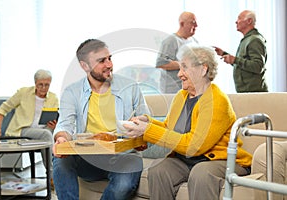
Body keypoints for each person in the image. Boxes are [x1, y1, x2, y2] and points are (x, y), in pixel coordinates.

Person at [124, 46, 252, 200]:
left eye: (184, 68)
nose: (179, 74)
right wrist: (146, 122)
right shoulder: (182, 95)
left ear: (203, 70)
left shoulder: (217, 101)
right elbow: (168, 128)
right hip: (187, 161)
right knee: (159, 169)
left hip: (220, 161)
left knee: (201, 173)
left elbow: (194, 146)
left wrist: (148, 130)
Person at [52, 39, 150, 200]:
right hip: (88, 158)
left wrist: (141, 131)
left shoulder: (130, 87)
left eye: (109, 58)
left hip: (123, 156)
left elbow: (146, 119)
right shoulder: (72, 92)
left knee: (123, 184)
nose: (109, 65)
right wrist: (61, 138)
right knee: (61, 161)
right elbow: (65, 124)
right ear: (84, 66)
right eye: (101, 61)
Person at [0, 69, 59, 180]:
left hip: (44, 130)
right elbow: (3, 108)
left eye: (47, 85)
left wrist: (54, 125)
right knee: (47, 135)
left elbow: (54, 117)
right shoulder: (23, 93)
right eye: (40, 85)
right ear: (35, 83)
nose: (43, 88)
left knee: (55, 134)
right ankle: (52, 176)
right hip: (24, 129)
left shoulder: (53, 97)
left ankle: (59, 172)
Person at [214, 10, 268, 93]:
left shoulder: (254, 40)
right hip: (247, 92)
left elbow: (258, 66)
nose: (236, 22)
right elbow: (243, 64)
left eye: (239, 18)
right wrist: (224, 54)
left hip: (254, 94)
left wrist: (235, 60)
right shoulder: (247, 39)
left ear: (249, 21)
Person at [156, 11, 198, 94]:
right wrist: (186, 65)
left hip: (189, 91)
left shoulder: (195, 42)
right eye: (193, 22)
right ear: (182, 24)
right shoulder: (170, 41)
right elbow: (161, 63)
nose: (196, 25)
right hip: (172, 92)